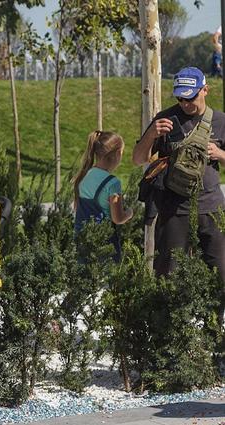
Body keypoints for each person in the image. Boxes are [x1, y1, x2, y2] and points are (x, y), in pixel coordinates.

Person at [132, 67, 225, 288]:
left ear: (205, 90)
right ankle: (170, 323)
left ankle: (214, 322)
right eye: (180, 97)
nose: (184, 103)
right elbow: (138, 159)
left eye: (189, 97)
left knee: (220, 275)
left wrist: (220, 154)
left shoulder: (221, 120)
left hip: (211, 208)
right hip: (173, 209)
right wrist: (151, 134)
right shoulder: (164, 118)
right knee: (168, 277)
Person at [72, 130, 133, 261]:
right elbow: (118, 218)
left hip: (82, 240)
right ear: (118, 154)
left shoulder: (84, 175)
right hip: (104, 243)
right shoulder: (113, 183)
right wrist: (129, 213)